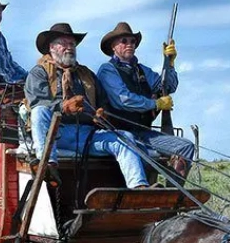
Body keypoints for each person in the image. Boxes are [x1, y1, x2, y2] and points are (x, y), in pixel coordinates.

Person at [25, 23, 150, 189]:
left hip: (85, 133)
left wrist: (102, 114)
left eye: (72, 44)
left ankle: (139, 188)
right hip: (55, 134)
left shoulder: (86, 74)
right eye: (64, 43)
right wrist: (64, 107)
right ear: (52, 47)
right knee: (39, 111)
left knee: (124, 138)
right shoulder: (39, 72)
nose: (69, 48)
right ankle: (48, 166)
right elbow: (38, 102)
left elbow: (103, 102)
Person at [95, 21, 195, 178]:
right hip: (119, 134)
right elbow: (123, 100)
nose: (129, 44)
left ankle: (172, 198)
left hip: (144, 133)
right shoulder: (107, 70)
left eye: (132, 41)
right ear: (113, 46)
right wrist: (155, 103)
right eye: (124, 41)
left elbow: (168, 86)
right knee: (142, 155)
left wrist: (169, 63)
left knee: (186, 147)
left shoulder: (142, 71)